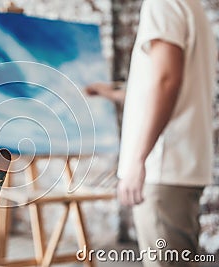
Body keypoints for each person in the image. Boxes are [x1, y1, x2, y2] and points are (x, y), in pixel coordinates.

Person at [86, 0, 217, 266]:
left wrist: (138, 159)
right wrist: (110, 94)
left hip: (162, 168)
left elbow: (167, 81)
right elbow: (161, 87)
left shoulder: (163, 4)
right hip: (179, 165)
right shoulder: (190, 7)